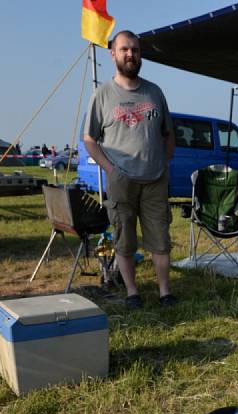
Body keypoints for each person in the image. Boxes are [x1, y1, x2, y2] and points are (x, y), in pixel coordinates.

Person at [83, 29, 176, 309]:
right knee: (124, 239)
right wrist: (111, 169)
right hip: (121, 181)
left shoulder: (154, 92)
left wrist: (164, 161)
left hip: (155, 180)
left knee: (160, 239)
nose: (130, 54)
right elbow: (90, 139)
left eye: (135, 50)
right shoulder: (102, 95)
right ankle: (132, 292)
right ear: (113, 54)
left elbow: (168, 133)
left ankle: (164, 293)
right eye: (124, 49)